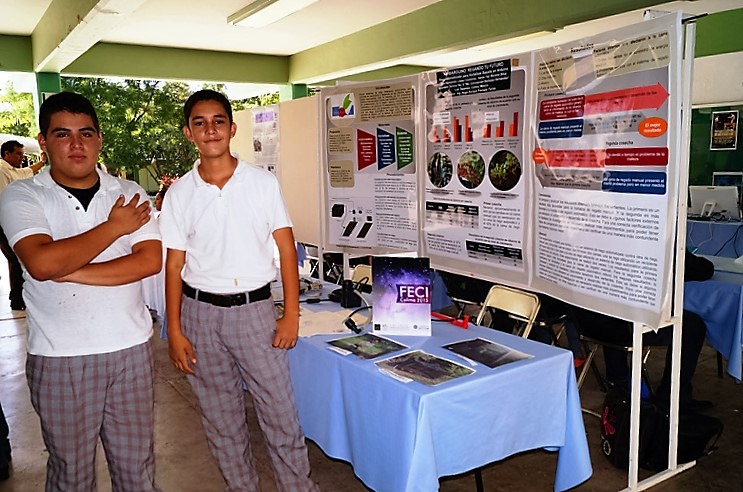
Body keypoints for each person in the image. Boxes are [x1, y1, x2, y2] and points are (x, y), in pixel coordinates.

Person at [0, 92, 161, 491]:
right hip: (59, 358)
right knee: (71, 474)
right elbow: (39, 263)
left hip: (131, 352)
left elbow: (147, 262)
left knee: (137, 469)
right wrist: (114, 228)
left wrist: (66, 269)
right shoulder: (22, 195)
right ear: (43, 141)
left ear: (99, 139)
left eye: (86, 133)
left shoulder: (128, 193)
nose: (76, 144)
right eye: (62, 134)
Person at [160, 89, 318, 491]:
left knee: (279, 414)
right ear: (188, 132)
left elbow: (286, 249)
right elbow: (174, 265)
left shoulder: (261, 184)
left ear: (231, 129)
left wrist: (291, 314)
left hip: (255, 315)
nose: (210, 129)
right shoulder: (180, 194)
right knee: (221, 419)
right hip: (200, 317)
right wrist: (175, 331)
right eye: (200, 122)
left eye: (217, 121)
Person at [573, 251, 715, 412]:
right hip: (623, 326)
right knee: (692, 326)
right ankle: (673, 397)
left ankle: (617, 380)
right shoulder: (654, 229)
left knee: (612, 308)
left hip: (585, 321)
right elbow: (699, 269)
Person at [0, 140, 44, 310]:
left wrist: (41, 163)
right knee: (18, 258)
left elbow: (23, 173)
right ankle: (18, 298)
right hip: (3, 219)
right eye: (18, 154)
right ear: (6, 154)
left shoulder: (11, 170)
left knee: (16, 259)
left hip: (8, 218)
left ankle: (17, 298)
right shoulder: (2, 169)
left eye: (22, 154)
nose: (22, 157)